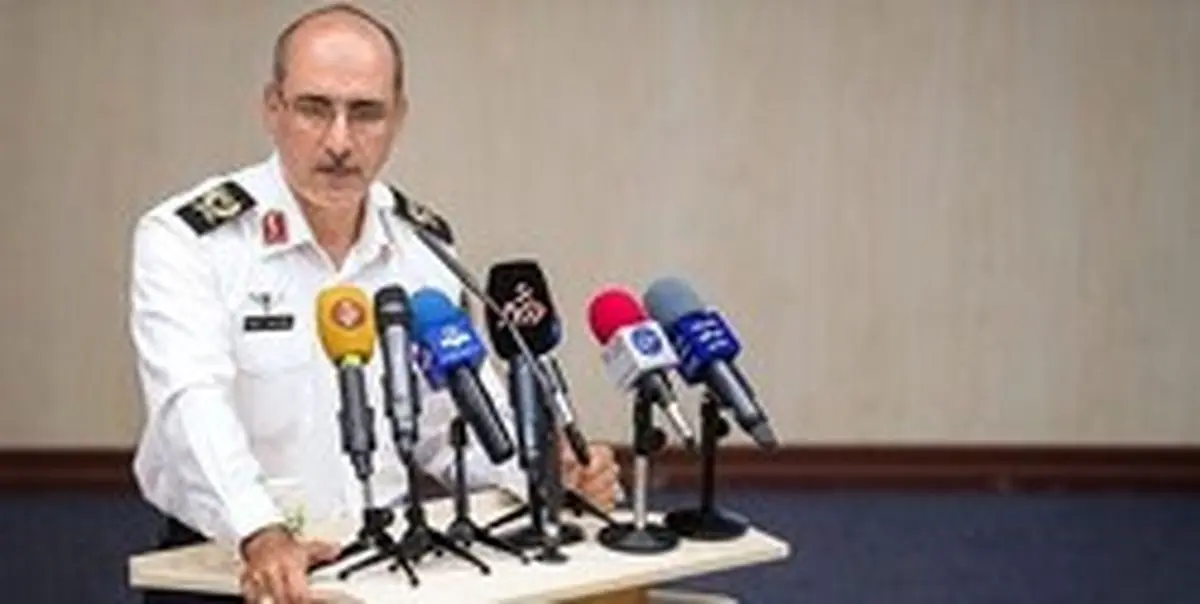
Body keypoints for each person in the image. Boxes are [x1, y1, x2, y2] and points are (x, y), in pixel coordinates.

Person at [128, 4, 620, 603]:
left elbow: (451, 422)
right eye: (314, 109)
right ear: (273, 108)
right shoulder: (192, 240)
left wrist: (547, 473)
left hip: (383, 567)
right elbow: (191, 409)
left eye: (365, 113)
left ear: (398, 119)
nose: (339, 141)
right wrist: (260, 532)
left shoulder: (423, 248)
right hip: (230, 568)